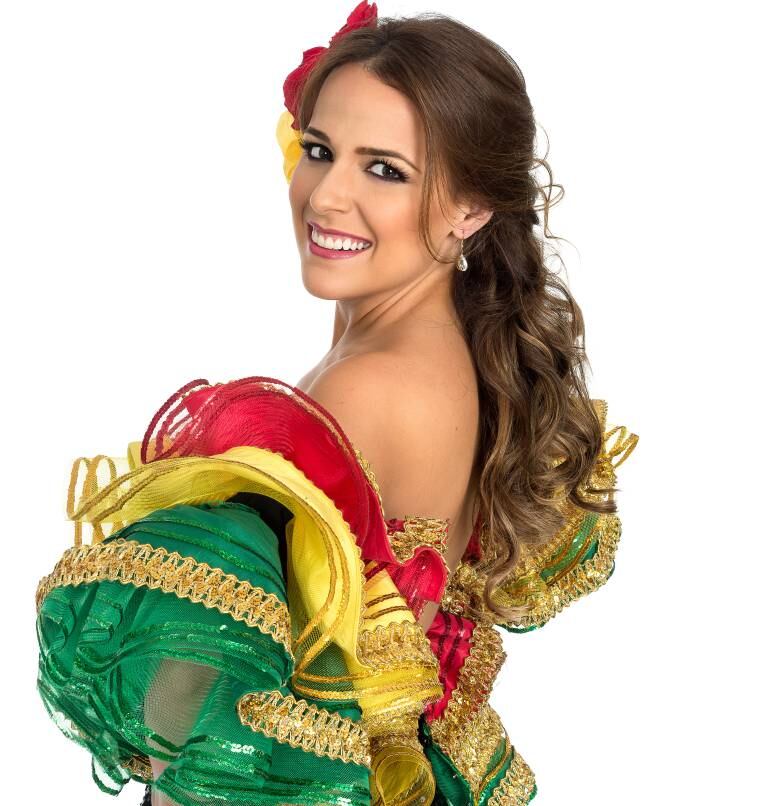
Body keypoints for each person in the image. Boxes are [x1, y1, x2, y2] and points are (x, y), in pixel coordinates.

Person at [34, 4, 639, 805]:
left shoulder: (364, 388)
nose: (327, 196)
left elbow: (173, 717)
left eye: (384, 170)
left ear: (469, 208)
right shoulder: (450, 351)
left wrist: (148, 720)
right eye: (320, 151)